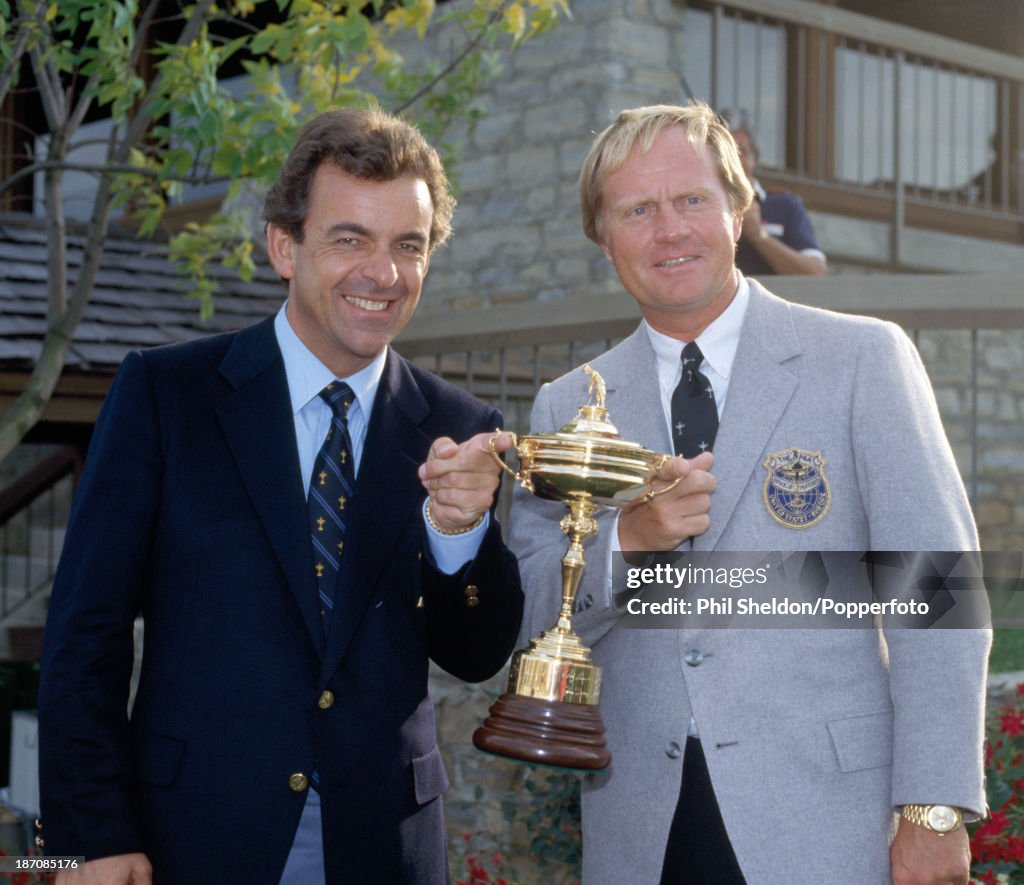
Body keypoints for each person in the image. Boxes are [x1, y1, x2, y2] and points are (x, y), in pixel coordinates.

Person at [37, 107, 523, 885]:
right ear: (283, 247)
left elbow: (478, 654)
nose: (383, 272)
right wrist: (89, 835)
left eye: (408, 245)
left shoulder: (460, 428)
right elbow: (83, 635)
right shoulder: (166, 397)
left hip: (385, 848)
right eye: (349, 239)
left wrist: (458, 535)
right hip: (188, 840)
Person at [507, 102, 989, 884]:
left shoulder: (863, 360)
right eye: (637, 210)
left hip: (829, 825)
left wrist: (933, 808)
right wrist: (626, 544)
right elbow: (526, 613)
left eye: (692, 199)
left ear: (738, 210)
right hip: (641, 826)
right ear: (604, 239)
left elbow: (936, 591)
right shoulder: (568, 407)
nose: (669, 230)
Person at [721, 108, 827, 278]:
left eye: (740, 151)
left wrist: (758, 235)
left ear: (753, 159)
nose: (733, 160)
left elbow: (816, 274)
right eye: (724, 152)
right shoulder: (696, 207)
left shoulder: (785, 205)